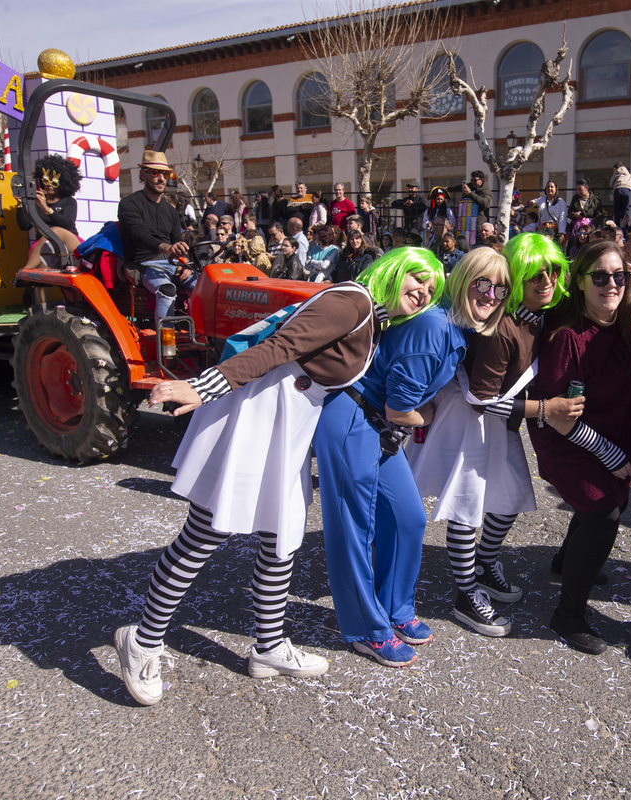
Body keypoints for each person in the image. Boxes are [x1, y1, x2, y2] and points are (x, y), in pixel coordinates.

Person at [112, 249, 439, 705]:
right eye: (417, 278)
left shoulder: (373, 315)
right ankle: (143, 640)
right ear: (393, 270)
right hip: (258, 413)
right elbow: (278, 347)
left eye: (431, 288)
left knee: (281, 533)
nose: (423, 291)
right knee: (208, 528)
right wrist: (203, 386)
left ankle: (268, 649)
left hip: (289, 422)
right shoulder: (352, 302)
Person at [312, 250, 508, 667]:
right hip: (353, 418)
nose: (491, 294)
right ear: (462, 282)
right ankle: (367, 628)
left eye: (500, 288)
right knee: (356, 529)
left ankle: (396, 609)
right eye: (482, 283)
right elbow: (400, 409)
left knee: (408, 518)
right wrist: (428, 414)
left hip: (373, 424)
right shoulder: (436, 327)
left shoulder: (455, 328)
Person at [409, 236, 576, 636]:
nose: (546, 281)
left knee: (512, 494)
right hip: (470, 418)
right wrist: (545, 410)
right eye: (535, 273)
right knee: (467, 503)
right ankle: (466, 594)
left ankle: (484, 563)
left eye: (553, 271)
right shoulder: (504, 326)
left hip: (495, 417)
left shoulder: (537, 315)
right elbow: (480, 399)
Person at [527, 240, 631, 654]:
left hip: (614, 431)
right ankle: (568, 614)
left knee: (611, 503)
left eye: (619, 276)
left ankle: (566, 562)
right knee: (602, 513)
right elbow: (559, 416)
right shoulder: (567, 336)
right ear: (579, 282)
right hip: (569, 440)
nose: (611, 284)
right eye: (599, 276)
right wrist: (611, 455)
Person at [117, 150, 196, 324]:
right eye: (155, 172)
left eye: (165, 173)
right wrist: (166, 248)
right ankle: (166, 346)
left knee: (208, 286)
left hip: (171, 264)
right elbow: (138, 234)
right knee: (167, 290)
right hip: (143, 264)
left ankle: (204, 336)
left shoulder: (170, 210)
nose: (161, 178)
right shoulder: (129, 204)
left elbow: (177, 240)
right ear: (142, 174)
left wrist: (185, 264)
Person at [17, 154, 82, 272]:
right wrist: (22, 205)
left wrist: (46, 209)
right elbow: (24, 226)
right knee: (42, 268)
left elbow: (67, 223)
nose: (49, 185)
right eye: (46, 180)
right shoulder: (36, 202)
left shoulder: (69, 201)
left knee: (55, 230)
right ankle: (31, 279)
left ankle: (26, 270)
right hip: (44, 246)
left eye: (55, 182)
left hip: (67, 242)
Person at [610, 162, 631, 228]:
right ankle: (625, 223)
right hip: (626, 190)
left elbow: (611, 183)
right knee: (625, 208)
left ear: (615, 168)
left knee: (617, 208)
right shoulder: (629, 175)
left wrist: (614, 175)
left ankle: (617, 224)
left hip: (617, 190)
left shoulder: (616, 173)